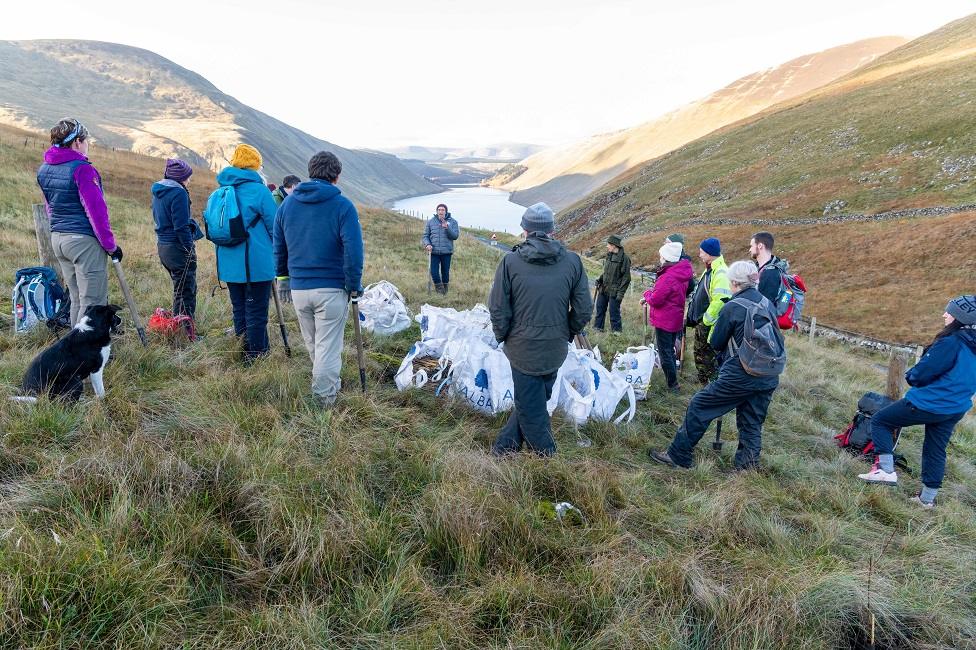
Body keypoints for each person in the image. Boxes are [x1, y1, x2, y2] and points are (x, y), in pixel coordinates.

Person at [649, 261, 785, 470]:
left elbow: (716, 342)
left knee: (700, 405)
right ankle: (746, 469)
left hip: (741, 373)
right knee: (752, 421)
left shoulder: (733, 306)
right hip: (769, 373)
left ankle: (678, 456)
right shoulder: (766, 303)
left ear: (734, 282)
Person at [489, 203, 592, 456]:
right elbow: (584, 309)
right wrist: (566, 333)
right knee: (534, 399)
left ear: (525, 229)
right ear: (552, 230)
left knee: (530, 403)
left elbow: (498, 307)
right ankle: (504, 448)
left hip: (522, 347)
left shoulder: (510, 262)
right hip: (555, 346)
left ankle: (547, 458)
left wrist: (503, 337)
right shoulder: (573, 262)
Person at [858, 295, 976, 508]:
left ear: (961, 317)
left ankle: (885, 470)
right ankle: (927, 499)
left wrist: (912, 375)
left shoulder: (952, 342)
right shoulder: (972, 345)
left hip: (929, 403)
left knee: (881, 421)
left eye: (949, 311)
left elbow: (920, 375)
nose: (944, 314)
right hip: (955, 408)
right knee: (935, 449)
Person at [273, 152, 364, 408]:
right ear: (337, 176)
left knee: (315, 344)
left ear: (311, 172)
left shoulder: (287, 205)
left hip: (299, 288)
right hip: (331, 288)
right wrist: (354, 284)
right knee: (327, 347)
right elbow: (353, 251)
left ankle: (327, 385)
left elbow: (279, 246)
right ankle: (323, 402)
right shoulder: (343, 206)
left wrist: (283, 279)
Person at [36, 118, 122, 326]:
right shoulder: (82, 169)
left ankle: (74, 352)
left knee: (76, 299)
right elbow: (96, 212)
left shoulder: (44, 169)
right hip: (83, 242)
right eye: (86, 141)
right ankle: (88, 355)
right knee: (93, 303)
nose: (87, 145)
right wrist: (110, 246)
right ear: (77, 142)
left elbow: (50, 207)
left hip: (58, 239)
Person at [212, 144, 278, 362]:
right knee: (257, 312)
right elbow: (275, 227)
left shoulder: (220, 190)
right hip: (256, 264)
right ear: (255, 165)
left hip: (229, 263)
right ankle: (257, 358)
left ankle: (242, 350)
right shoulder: (259, 190)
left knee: (239, 308)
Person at [151, 158, 203, 324]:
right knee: (186, 291)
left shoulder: (159, 191)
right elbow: (180, 226)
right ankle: (186, 333)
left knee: (179, 290)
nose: (190, 180)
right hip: (178, 248)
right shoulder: (179, 193)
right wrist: (189, 247)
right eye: (188, 177)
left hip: (164, 246)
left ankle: (177, 326)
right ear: (181, 178)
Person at [642, 241, 693, 391]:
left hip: (665, 320)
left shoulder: (668, 277)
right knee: (669, 350)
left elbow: (656, 300)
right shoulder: (681, 274)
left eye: (661, 256)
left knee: (665, 352)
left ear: (666, 258)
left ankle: (673, 384)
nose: (660, 258)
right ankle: (673, 379)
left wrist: (647, 294)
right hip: (675, 318)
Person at [685, 237, 731, 384]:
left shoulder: (721, 272)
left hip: (708, 324)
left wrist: (705, 321)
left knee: (707, 357)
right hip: (702, 322)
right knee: (700, 355)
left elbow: (720, 301)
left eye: (702, 252)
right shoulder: (710, 269)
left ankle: (710, 388)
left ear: (710, 253)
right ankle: (703, 384)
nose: (700, 255)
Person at [593, 235, 631, 333]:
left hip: (615, 291)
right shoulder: (609, 255)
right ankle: (598, 330)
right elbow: (607, 272)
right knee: (600, 310)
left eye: (608, 244)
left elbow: (626, 278)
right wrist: (600, 279)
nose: (607, 246)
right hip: (604, 288)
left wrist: (620, 294)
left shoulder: (624, 259)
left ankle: (616, 333)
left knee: (614, 313)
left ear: (614, 245)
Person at [422, 203, 460, 294]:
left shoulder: (453, 222)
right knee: (434, 272)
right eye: (439, 210)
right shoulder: (431, 222)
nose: (441, 211)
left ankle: (445, 292)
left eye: (442, 210)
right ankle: (440, 291)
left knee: (445, 273)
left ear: (446, 211)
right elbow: (425, 236)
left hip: (446, 252)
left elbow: (455, 236)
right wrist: (427, 244)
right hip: (433, 252)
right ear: (437, 211)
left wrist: (447, 227)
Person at [750, 231, 785, 304]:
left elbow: (766, 307)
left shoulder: (771, 273)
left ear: (760, 246)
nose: (750, 249)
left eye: (751, 246)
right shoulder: (760, 268)